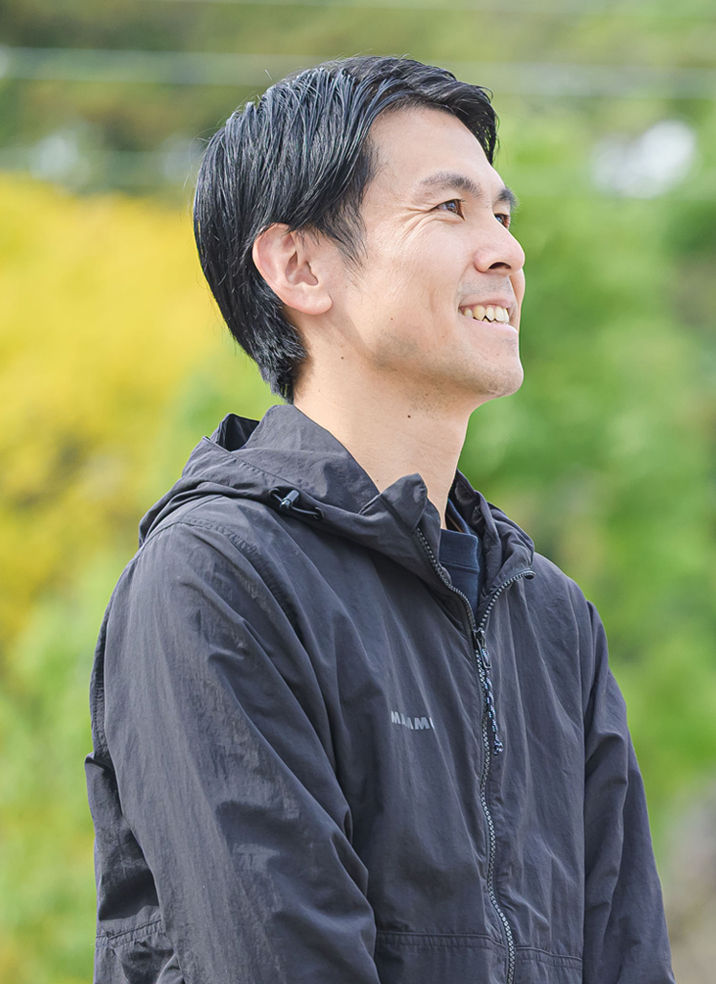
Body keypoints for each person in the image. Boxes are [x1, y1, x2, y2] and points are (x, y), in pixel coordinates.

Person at [85, 55, 676, 984]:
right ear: (299, 265)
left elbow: (627, 955)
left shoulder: (552, 618)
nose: (507, 252)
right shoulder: (218, 580)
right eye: (450, 209)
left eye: (503, 216)